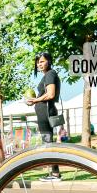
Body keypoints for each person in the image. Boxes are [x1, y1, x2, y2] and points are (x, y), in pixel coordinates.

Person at [26, 52, 61, 181]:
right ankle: (54, 172)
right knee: (48, 142)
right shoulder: (48, 75)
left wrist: (35, 100)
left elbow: (50, 94)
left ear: (49, 61)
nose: (39, 64)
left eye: (42, 61)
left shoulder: (50, 74)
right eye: (38, 62)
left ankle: (55, 174)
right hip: (46, 111)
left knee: (48, 142)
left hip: (45, 112)